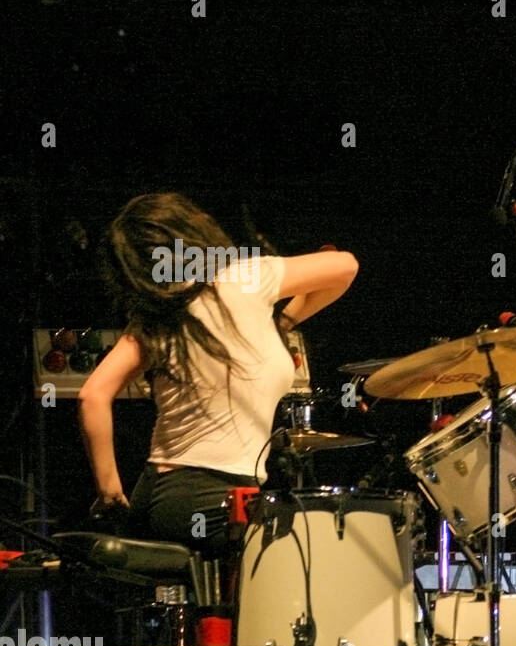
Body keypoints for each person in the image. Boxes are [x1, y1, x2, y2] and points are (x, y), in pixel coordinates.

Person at [78, 192, 357, 554]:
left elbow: (93, 395)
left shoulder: (156, 318)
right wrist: (285, 321)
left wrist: (112, 495)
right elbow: (344, 266)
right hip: (216, 498)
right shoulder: (247, 277)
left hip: (160, 496)